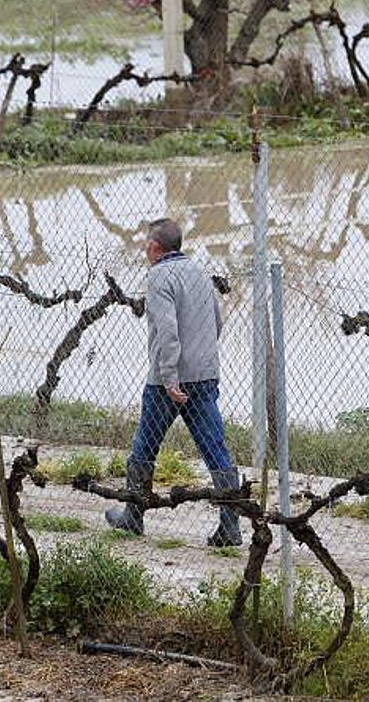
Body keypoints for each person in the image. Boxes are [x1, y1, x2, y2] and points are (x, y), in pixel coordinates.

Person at [106, 218, 242, 547]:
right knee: (215, 448)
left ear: (154, 248)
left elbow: (167, 332)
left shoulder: (157, 277)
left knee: (145, 445)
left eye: (146, 244)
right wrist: (202, 359)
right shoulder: (199, 272)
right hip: (204, 376)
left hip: (168, 383)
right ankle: (230, 525)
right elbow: (216, 323)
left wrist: (169, 377)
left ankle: (133, 515)